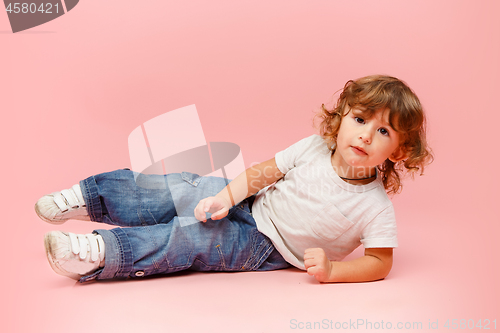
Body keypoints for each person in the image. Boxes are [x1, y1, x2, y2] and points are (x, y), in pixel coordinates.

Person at [36, 75, 433, 283]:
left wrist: (334, 271)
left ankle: (99, 253)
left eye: (383, 132)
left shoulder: (374, 207)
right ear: (342, 116)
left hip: (264, 246)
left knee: (188, 237)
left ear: (398, 152)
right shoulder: (313, 147)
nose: (365, 134)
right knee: (181, 187)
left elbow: (379, 263)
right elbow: (263, 172)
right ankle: (90, 197)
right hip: (249, 203)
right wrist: (227, 196)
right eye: (361, 119)